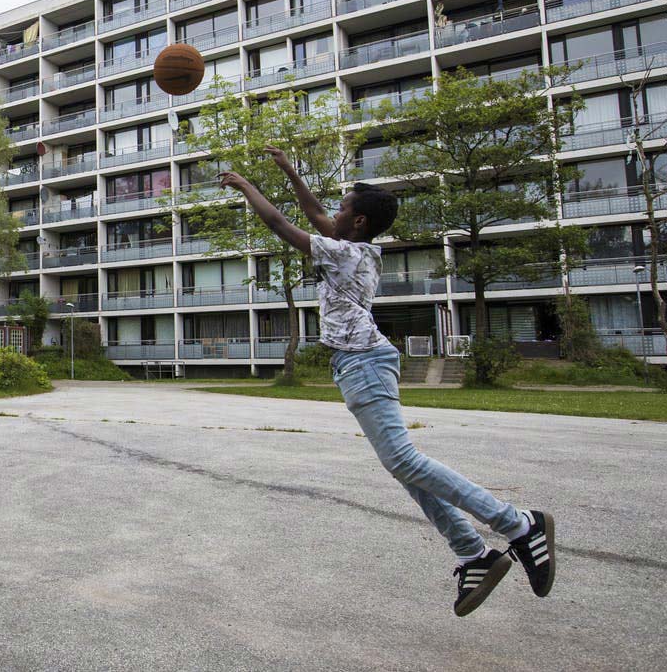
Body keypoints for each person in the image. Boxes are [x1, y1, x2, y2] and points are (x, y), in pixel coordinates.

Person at [219, 148, 555, 617]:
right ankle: (472, 552)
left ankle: (518, 524)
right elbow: (314, 211)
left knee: (403, 458)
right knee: (401, 465)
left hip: (364, 362)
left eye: (341, 210)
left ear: (356, 223)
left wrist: (245, 186)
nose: (328, 214)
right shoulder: (354, 247)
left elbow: (282, 224)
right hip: (358, 364)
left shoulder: (343, 253)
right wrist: (288, 169)